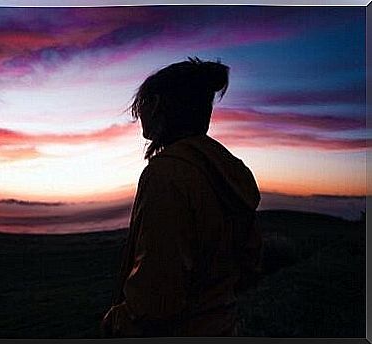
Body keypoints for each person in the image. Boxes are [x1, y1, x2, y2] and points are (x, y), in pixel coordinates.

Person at [100, 57, 263, 338]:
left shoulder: (167, 174)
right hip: (222, 326)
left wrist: (114, 324)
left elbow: (157, 294)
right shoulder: (230, 170)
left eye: (144, 104)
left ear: (161, 106)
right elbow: (249, 264)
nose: (139, 114)